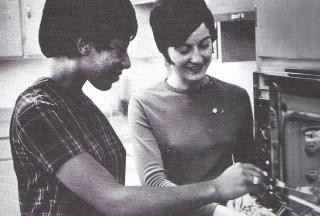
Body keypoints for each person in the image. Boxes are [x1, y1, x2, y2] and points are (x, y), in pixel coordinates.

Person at [9, 0, 266, 215]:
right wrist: (217, 188)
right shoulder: (38, 110)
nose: (127, 62)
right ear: (84, 45)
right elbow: (115, 200)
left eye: (204, 45)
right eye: (119, 49)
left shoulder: (79, 103)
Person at [128, 0, 264, 215]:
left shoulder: (236, 96)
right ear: (165, 51)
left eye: (204, 45)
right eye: (184, 49)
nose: (197, 58)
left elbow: (249, 164)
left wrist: (248, 190)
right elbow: (154, 184)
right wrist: (216, 210)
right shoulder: (144, 104)